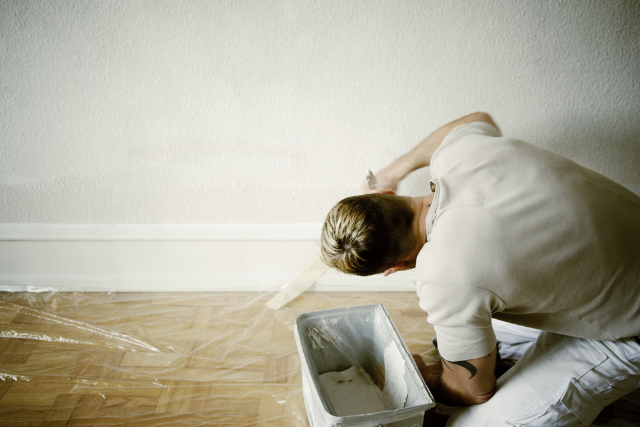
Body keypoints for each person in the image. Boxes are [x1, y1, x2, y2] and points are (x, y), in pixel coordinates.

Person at [320, 112, 640, 426]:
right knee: (466, 326)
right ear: (386, 194)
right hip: (615, 274)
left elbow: (473, 391)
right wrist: (395, 169)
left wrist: (422, 377)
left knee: (465, 421)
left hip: (630, 330)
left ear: (396, 267)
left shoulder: (443, 275)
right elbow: (478, 118)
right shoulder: (461, 152)